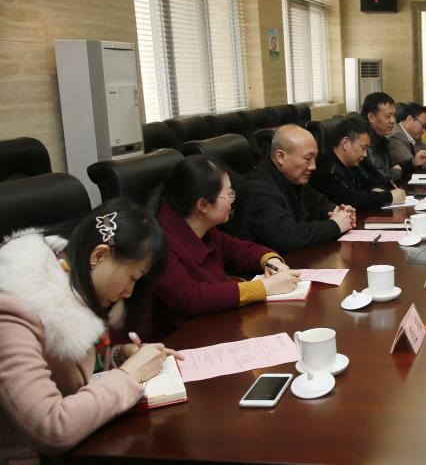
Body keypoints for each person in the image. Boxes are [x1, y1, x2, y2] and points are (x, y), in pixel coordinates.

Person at [0, 199, 182, 458]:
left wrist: (120, 355)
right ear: (99, 256)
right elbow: (51, 428)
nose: (129, 292)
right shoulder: (12, 310)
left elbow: (75, 369)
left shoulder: (72, 285)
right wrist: (130, 375)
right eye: (132, 277)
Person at [149, 156, 301, 339]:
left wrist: (272, 262)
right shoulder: (160, 242)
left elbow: (239, 250)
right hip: (184, 338)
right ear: (202, 205)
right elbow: (191, 297)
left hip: (218, 323)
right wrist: (264, 287)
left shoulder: (202, 226)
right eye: (229, 195)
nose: (232, 201)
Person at [237, 124, 356, 253]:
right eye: (307, 159)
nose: (313, 166)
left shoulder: (293, 177)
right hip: (267, 263)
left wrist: (340, 212)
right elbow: (287, 236)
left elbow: (319, 204)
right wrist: (335, 225)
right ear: (281, 157)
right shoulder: (258, 188)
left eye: (315, 158)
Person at [311, 116, 407, 210]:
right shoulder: (325, 169)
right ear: (345, 143)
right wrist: (388, 197)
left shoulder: (353, 163)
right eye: (363, 148)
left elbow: (373, 180)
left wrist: (375, 189)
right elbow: (351, 199)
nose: (365, 154)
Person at [361, 92, 426, 187]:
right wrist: (396, 171)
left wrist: (413, 162)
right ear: (371, 117)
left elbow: (393, 168)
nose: (393, 121)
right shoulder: (365, 142)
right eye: (388, 116)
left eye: (394, 116)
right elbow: (384, 177)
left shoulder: (381, 138)